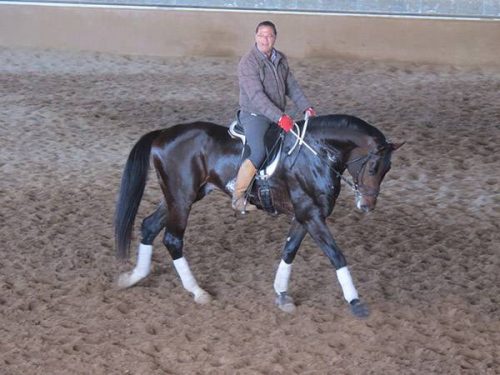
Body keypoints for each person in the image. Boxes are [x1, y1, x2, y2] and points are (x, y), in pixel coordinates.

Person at [233, 20, 316, 213]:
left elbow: (291, 86)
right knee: (259, 152)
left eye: (269, 35)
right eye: (261, 35)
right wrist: (280, 117)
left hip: (276, 115)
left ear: (275, 38)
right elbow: (256, 96)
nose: (265, 39)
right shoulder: (248, 62)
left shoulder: (280, 59)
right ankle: (238, 196)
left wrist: (306, 106)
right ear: (255, 37)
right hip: (255, 115)